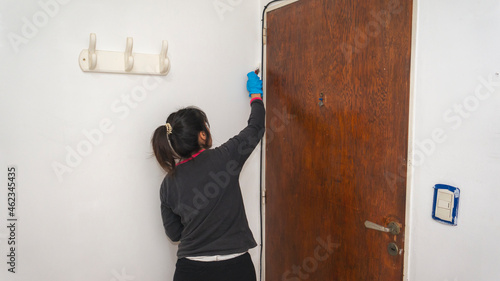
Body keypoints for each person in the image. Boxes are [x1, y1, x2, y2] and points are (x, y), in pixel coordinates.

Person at [151, 71, 265, 281]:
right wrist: (255, 95)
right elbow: (256, 127)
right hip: (236, 268)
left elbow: (174, 234)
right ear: (202, 134)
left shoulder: (168, 184)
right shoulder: (225, 157)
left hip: (191, 272)